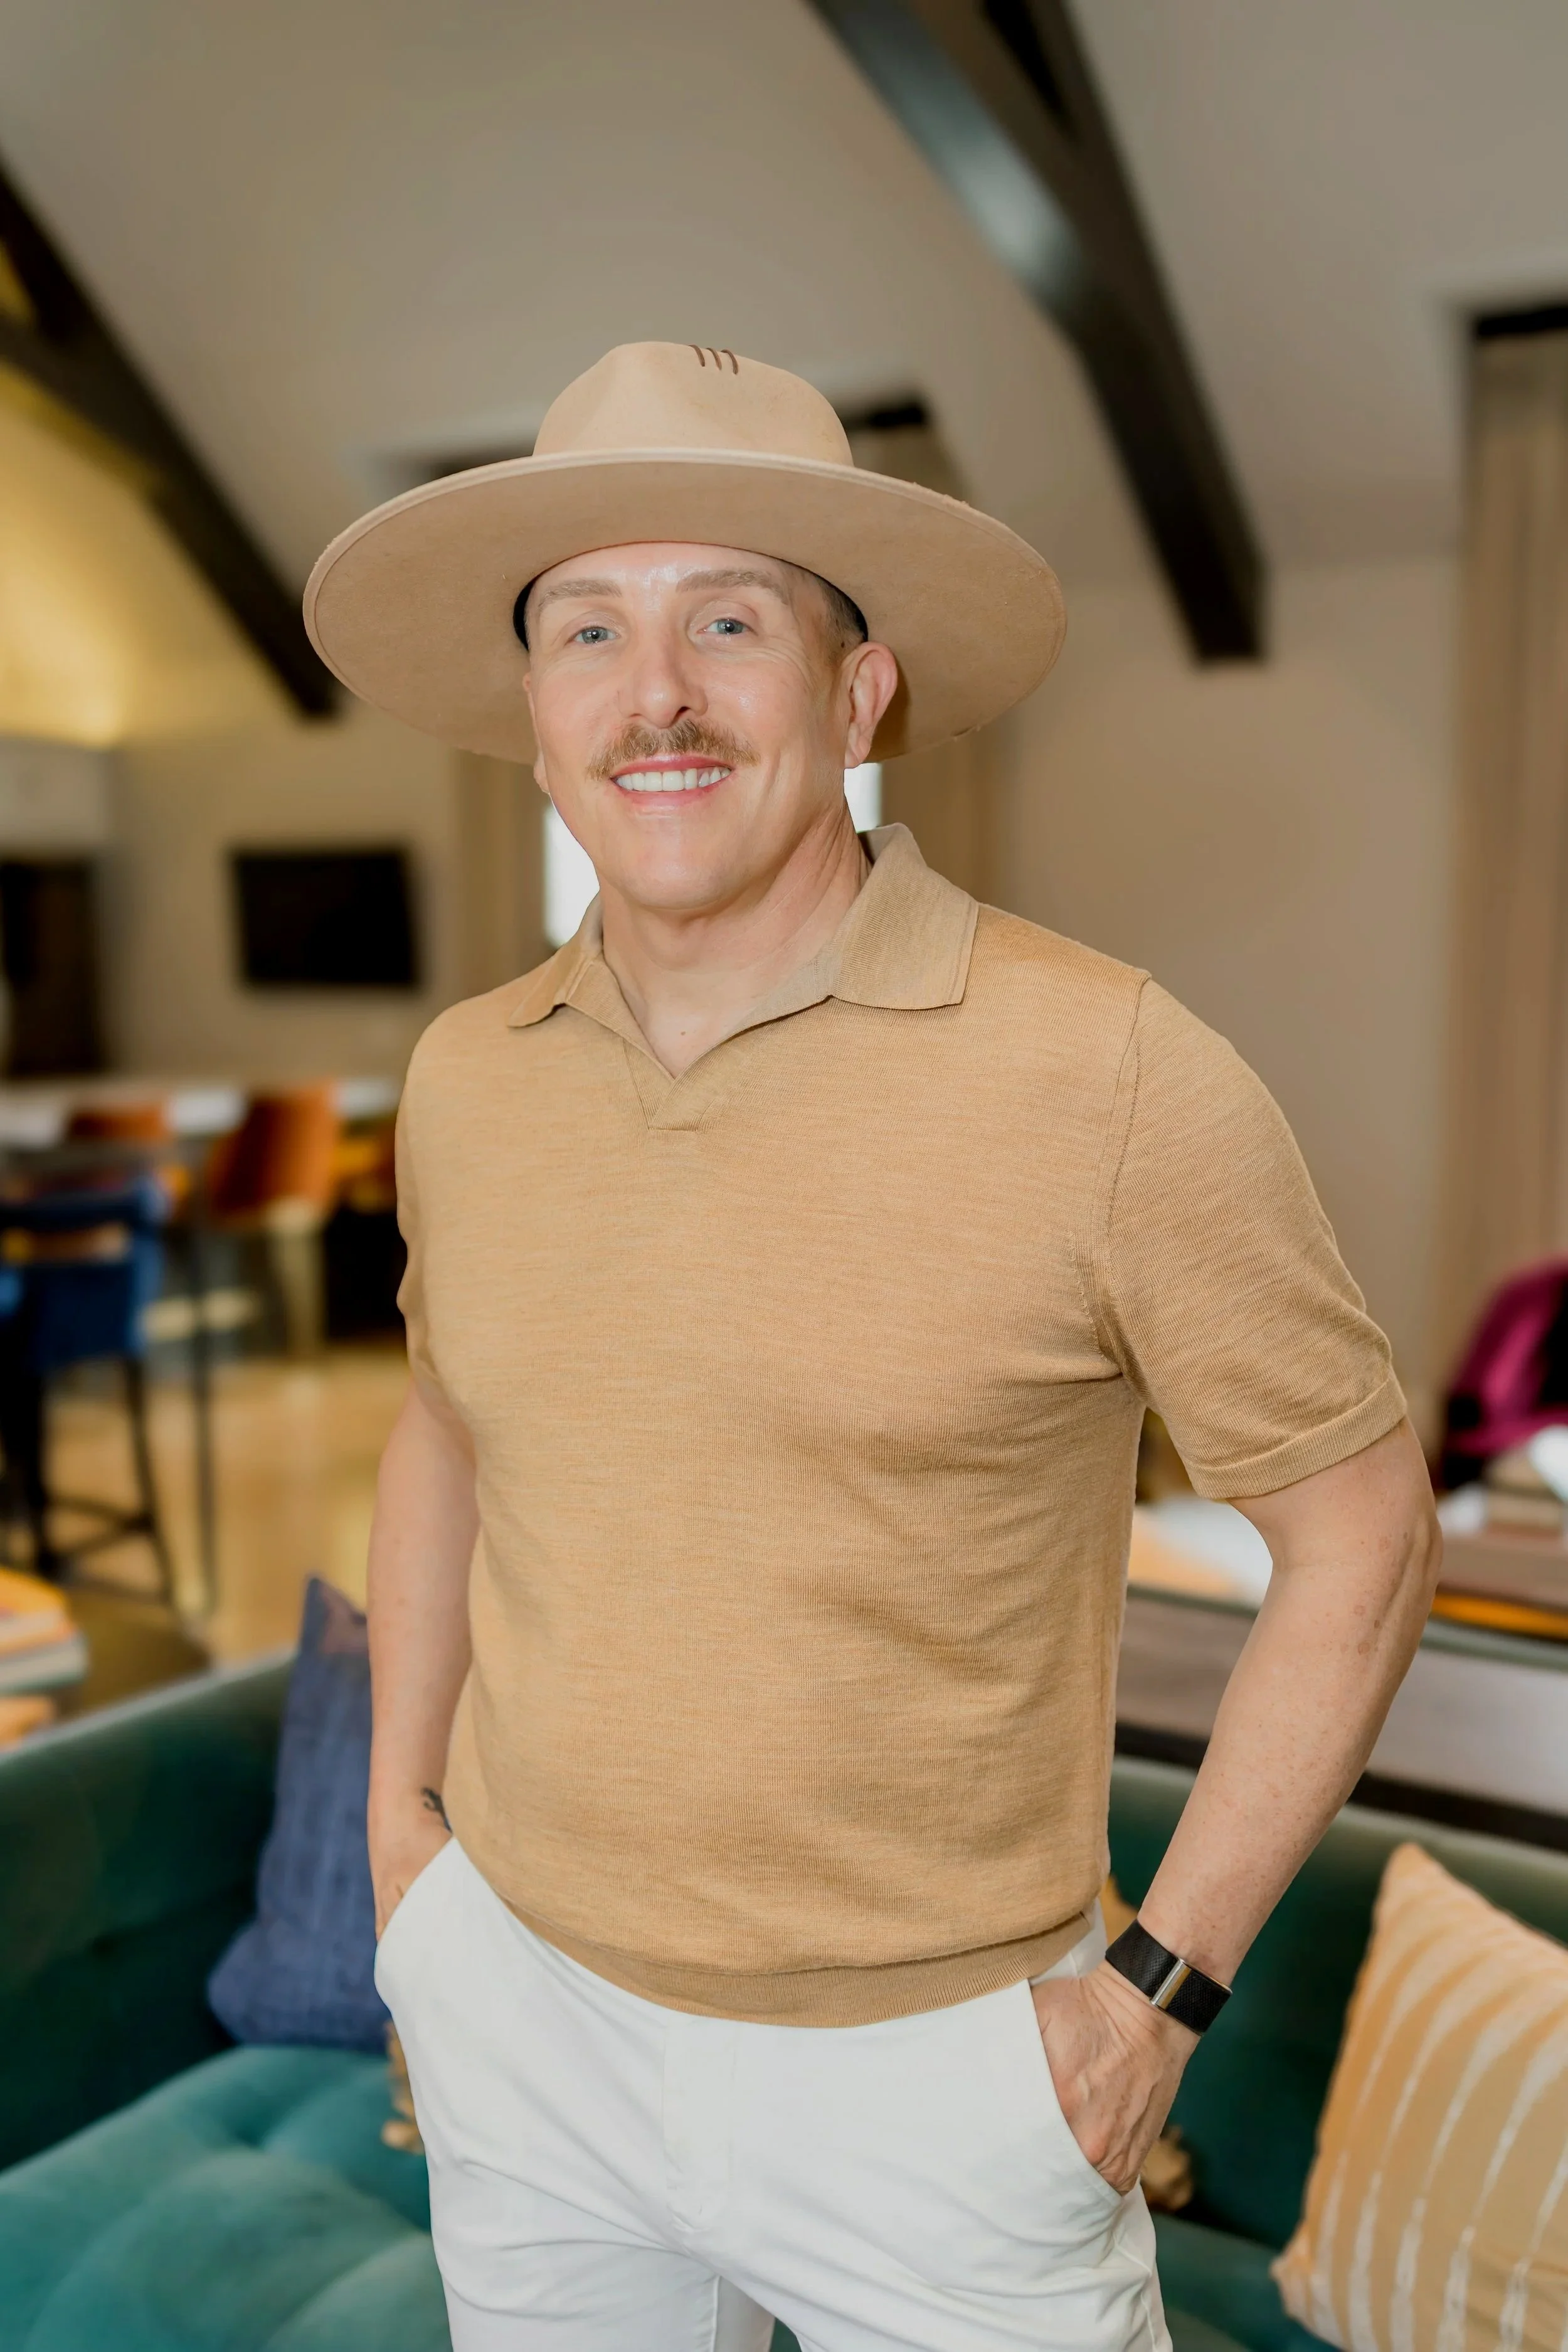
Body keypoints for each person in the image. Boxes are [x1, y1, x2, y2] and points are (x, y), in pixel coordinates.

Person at [305, 342, 1440, 2352]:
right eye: (590, 627)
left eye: (727, 619)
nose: (652, 691)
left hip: (938, 2085)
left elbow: (1359, 1535)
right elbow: (443, 1428)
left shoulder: (1107, 1070)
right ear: (536, 711)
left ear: (855, 691)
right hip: (521, 2018)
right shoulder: (462, 1073)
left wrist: (1151, 1997)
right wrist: (406, 1844)